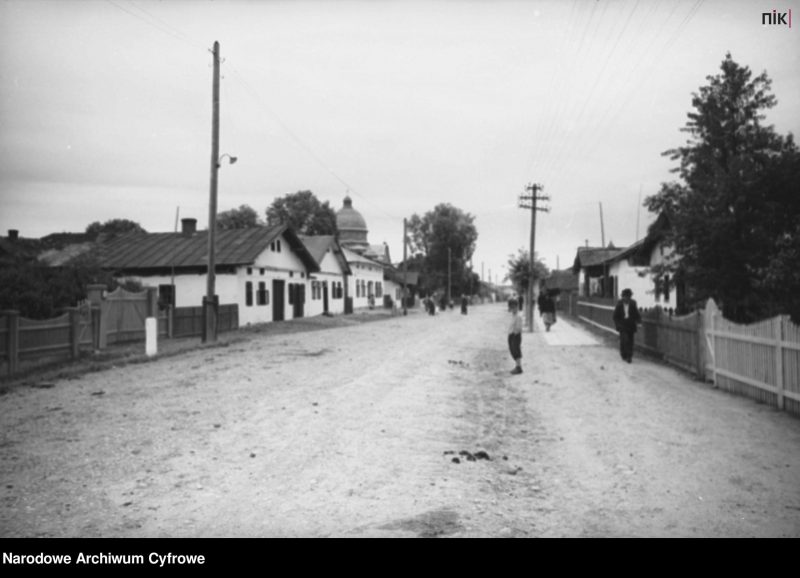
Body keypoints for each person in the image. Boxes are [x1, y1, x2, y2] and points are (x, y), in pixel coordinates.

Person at [612, 288, 641, 363]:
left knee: (630, 341)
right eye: (625, 297)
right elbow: (615, 316)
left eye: (629, 297)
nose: (627, 299)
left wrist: (639, 321)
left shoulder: (633, 303)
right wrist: (618, 325)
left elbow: (636, 313)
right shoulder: (619, 304)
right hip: (622, 325)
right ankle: (624, 354)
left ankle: (629, 356)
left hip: (631, 325)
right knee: (625, 340)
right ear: (623, 297)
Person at [507, 299, 523, 375]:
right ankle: (517, 366)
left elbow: (519, 328)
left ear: (517, 307)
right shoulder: (513, 315)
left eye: (514, 307)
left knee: (516, 350)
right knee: (512, 350)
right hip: (511, 335)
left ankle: (518, 367)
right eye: (511, 307)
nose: (513, 309)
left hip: (515, 335)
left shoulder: (518, 316)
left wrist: (514, 334)